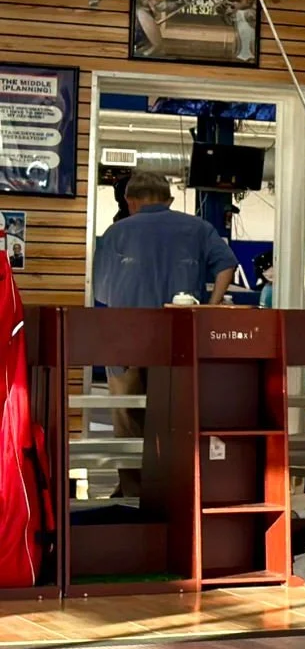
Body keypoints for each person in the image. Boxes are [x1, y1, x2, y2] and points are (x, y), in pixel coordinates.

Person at [92, 171, 240, 487]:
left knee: (129, 421)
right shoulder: (199, 228)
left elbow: (102, 292)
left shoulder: (116, 233)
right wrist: (210, 308)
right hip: (181, 343)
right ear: (170, 200)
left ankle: (132, 494)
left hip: (125, 344)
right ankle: (175, 493)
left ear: (130, 202)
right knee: (176, 421)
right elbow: (227, 265)